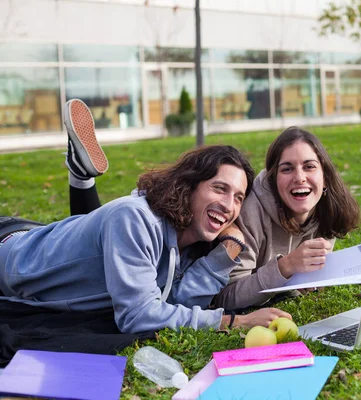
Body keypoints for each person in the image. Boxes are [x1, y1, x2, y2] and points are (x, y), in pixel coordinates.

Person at [0, 99, 291, 335]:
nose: (229, 205)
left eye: (238, 197)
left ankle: (80, 175)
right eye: (219, 189)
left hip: (54, 240)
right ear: (189, 187)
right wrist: (233, 321)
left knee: (91, 239)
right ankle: (81, 177)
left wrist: (222, 257)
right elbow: (138, 316)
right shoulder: (135, 220)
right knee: (109, 225)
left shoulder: (192, 241)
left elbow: (175, 302)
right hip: (9, 250)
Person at [212, 126, 361, 309]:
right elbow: (225, 297)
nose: (300, 178)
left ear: (325, 176)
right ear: (273, 179)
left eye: (309, 167)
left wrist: (305, 279)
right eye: (287, 169)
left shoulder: (326, 209)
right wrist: (286, 266)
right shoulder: (249, 211)